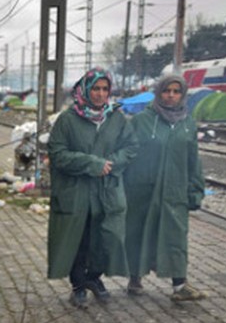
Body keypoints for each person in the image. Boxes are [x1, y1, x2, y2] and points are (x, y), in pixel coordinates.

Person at [46, 68, 137, 309]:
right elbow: (57, 154)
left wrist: (112, 164)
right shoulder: (68, 119)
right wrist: (91, 163)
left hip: (106, 189)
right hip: (75, 190)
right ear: (85, 89)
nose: (100, 94)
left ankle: (94, 277)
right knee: (78, 237)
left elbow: (131, 146)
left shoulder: (116, 118)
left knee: (106, 235)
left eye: (105, 89)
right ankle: (78, 284)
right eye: (96, 88)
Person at [123, 74, 207, 302]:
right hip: (142, 191)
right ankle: (135, 277)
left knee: (176, 236)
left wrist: (196, 189)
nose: (171, 95)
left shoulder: (187, 123)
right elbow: (127, 153)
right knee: (138, 233)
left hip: (174, 191)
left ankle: (180, 285)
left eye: (176, 91)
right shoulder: (141, 120)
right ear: (158, 93)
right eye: (166, 91)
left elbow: (193, 160)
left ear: (182, 95)